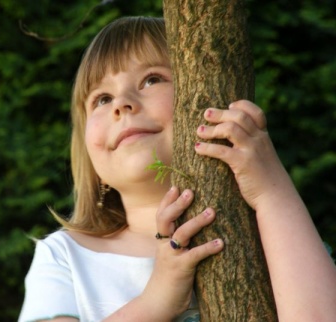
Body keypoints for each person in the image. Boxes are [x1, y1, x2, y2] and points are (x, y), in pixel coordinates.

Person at [18, 16, 336, 322]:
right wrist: (155, 302)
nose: (121, 103)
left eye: (151, 79)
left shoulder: (272, 234)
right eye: (101, 99)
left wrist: (272, 191)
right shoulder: (65, 258)